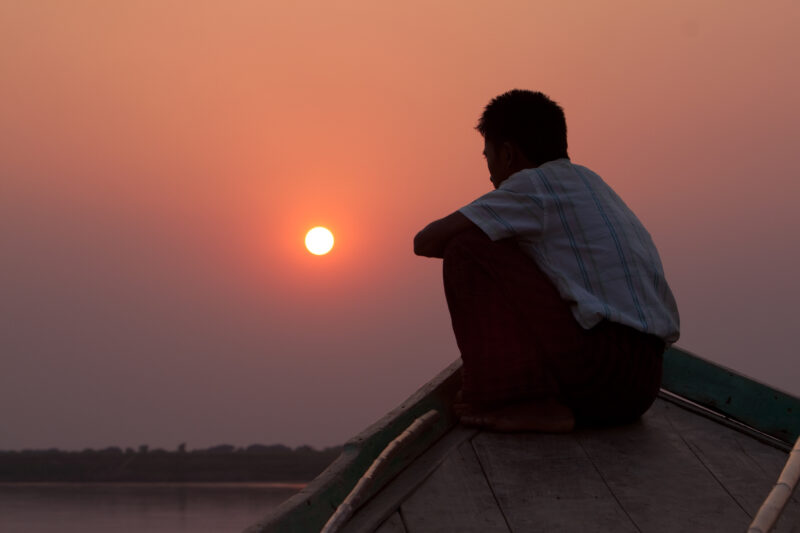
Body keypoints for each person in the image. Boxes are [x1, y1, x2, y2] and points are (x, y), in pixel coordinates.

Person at [414, 90, 680, 433]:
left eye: (489, 159)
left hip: (601, 373)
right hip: (643, 383)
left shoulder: (532, 186)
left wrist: (498, 230)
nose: (491, 177)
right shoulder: (591, 183)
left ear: (508, 154)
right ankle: (554, 404)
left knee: (466, 249)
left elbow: (426, 241)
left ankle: (513, 399)